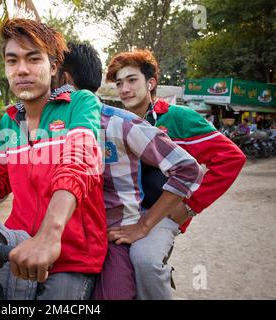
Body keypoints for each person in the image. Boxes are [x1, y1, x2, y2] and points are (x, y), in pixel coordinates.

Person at [0, 19, 107, 300]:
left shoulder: (80, 103)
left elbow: (80, 160)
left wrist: (50, 233)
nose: (22, 70)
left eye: (33, 58)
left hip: (72, 254)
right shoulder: (9, 119)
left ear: (53, 67)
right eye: (12, 61)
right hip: (16, 245)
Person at [52, 42, 205, 299]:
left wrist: (147, 224)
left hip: (114, 235)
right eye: (120, 83)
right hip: (69, 238)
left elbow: (189, 169)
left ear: (64, 79)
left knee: (140, 270)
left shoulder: (122, 123)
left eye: (49, 72)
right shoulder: (50, 127)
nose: (125, 89)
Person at [105, 49, 246, 299]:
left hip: (159, 213)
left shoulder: (179, 118)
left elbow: (231, 158)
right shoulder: (114, 121)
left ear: (151, 83)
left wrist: (190, 207)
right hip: (122, 210)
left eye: (131, 80)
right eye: (119, 83)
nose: (124, 88)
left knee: (145, 262)